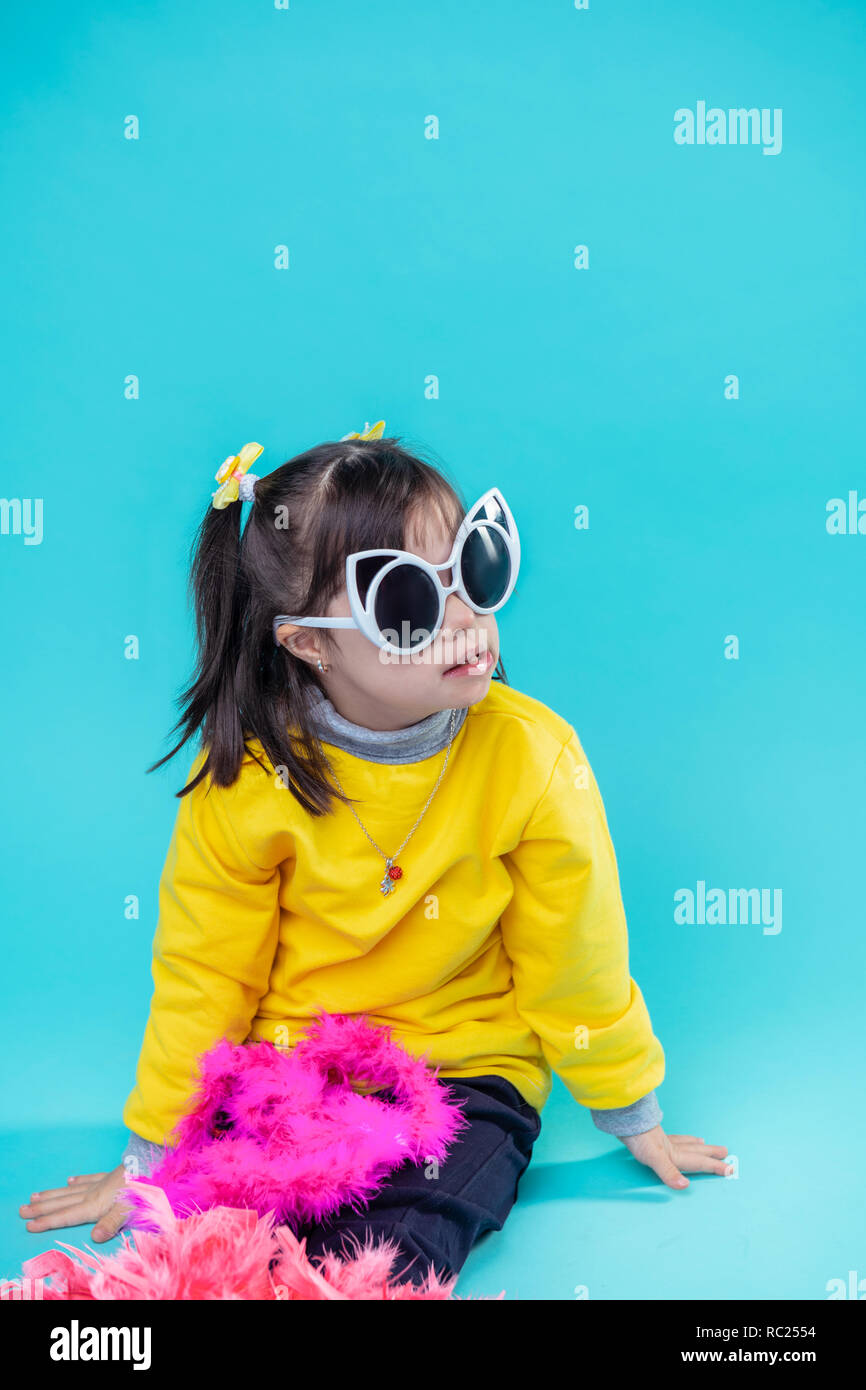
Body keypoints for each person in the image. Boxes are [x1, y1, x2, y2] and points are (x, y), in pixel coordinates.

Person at [19, 420, 731, 1289]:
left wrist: (629, 1107)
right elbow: (206, 975)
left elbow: (573, 952)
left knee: (405, 1239)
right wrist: (152, 1149)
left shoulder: (532, 756)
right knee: (213, 1228)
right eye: (407, 603)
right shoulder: (247, 779)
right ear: (309, 643)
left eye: (475, 568)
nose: (466, 620)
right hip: (292, 1067)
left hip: (468, 1067)